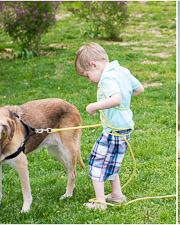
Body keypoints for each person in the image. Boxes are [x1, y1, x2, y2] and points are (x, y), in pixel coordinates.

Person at [75, 43, 145, 210]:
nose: (89, 80)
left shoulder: (107, 77)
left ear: (94, 65)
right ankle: (116, 195)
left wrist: (94, 106)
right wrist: (125, 98)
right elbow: (139, 89)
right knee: (112, 161)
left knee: (97, 161)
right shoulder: (123, 71)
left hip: (113, 131)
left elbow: (116, 99)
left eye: (87, 75)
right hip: (124, 128)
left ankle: (100, 202)